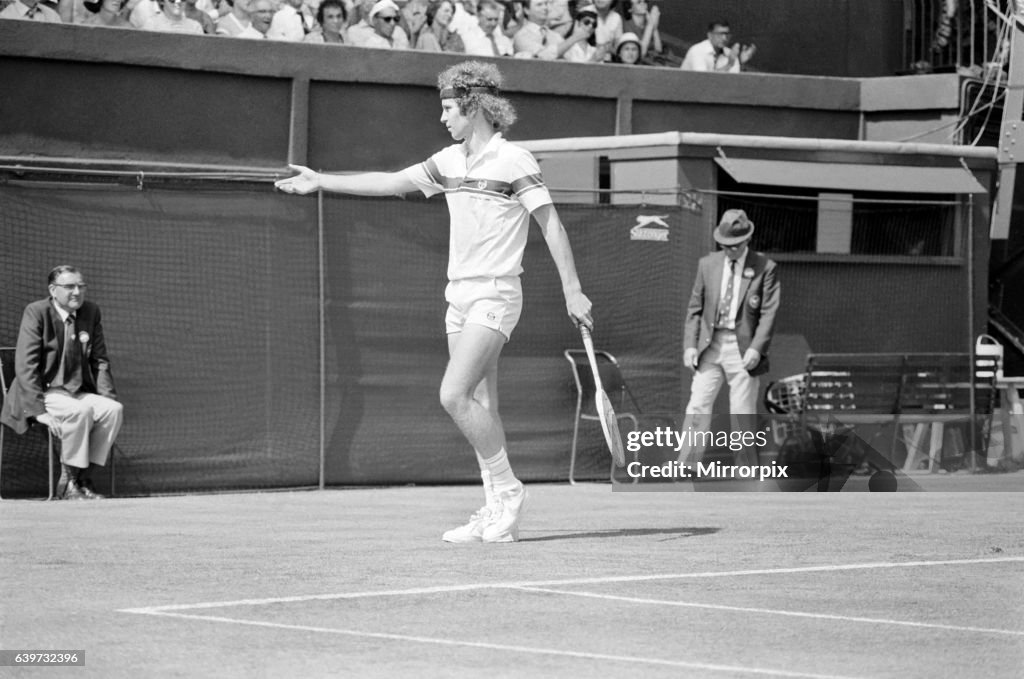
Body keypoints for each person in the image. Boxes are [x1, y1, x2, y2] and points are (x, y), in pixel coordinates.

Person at [275, 61, 592, 543]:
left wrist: (573, 288)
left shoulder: (516, 161)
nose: (443, 118)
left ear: (473, 106)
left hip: (496, 292)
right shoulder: (448, 162)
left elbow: (552, 225)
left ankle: (508, 491)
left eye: (448, 108)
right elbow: (390, 181)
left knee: (453, 395)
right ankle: (496, 514)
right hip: (458, 295)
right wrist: (322, 180)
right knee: (482, 401)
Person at [1, 266, 124, 501]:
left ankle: (82, 479)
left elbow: (100, 361)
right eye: (69, 287)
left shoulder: (91, 312)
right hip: (42, 393)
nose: (77, 292)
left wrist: (107, 396)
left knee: (113, 410)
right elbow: (26, 366)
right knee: (81, 411)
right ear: (53, 290)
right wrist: (38, 412)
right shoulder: (36, 312)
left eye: (81, 286)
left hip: (75, 391)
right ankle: (67, 484)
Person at [678, 210, 779, 466]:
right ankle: (687, 464)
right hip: (710, 345)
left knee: (742, 410)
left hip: (742, 347)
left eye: (735, 245)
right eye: (725, 246)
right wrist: (690, 345)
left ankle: (746, 468)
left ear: (747, 240)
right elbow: (695, 307)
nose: (730, 250)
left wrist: (757, 348)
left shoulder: (765, 267)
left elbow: (769, 312)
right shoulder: (707, 264)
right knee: (698, 404)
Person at [681, 20, 756, 73]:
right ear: (710, 35)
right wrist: (729, 65)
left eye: (726, 34)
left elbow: (733, 83)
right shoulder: (697, 51)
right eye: (720, 34)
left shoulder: (731, 54)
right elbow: (702, 80)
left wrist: (740, 62)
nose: (724, 38)